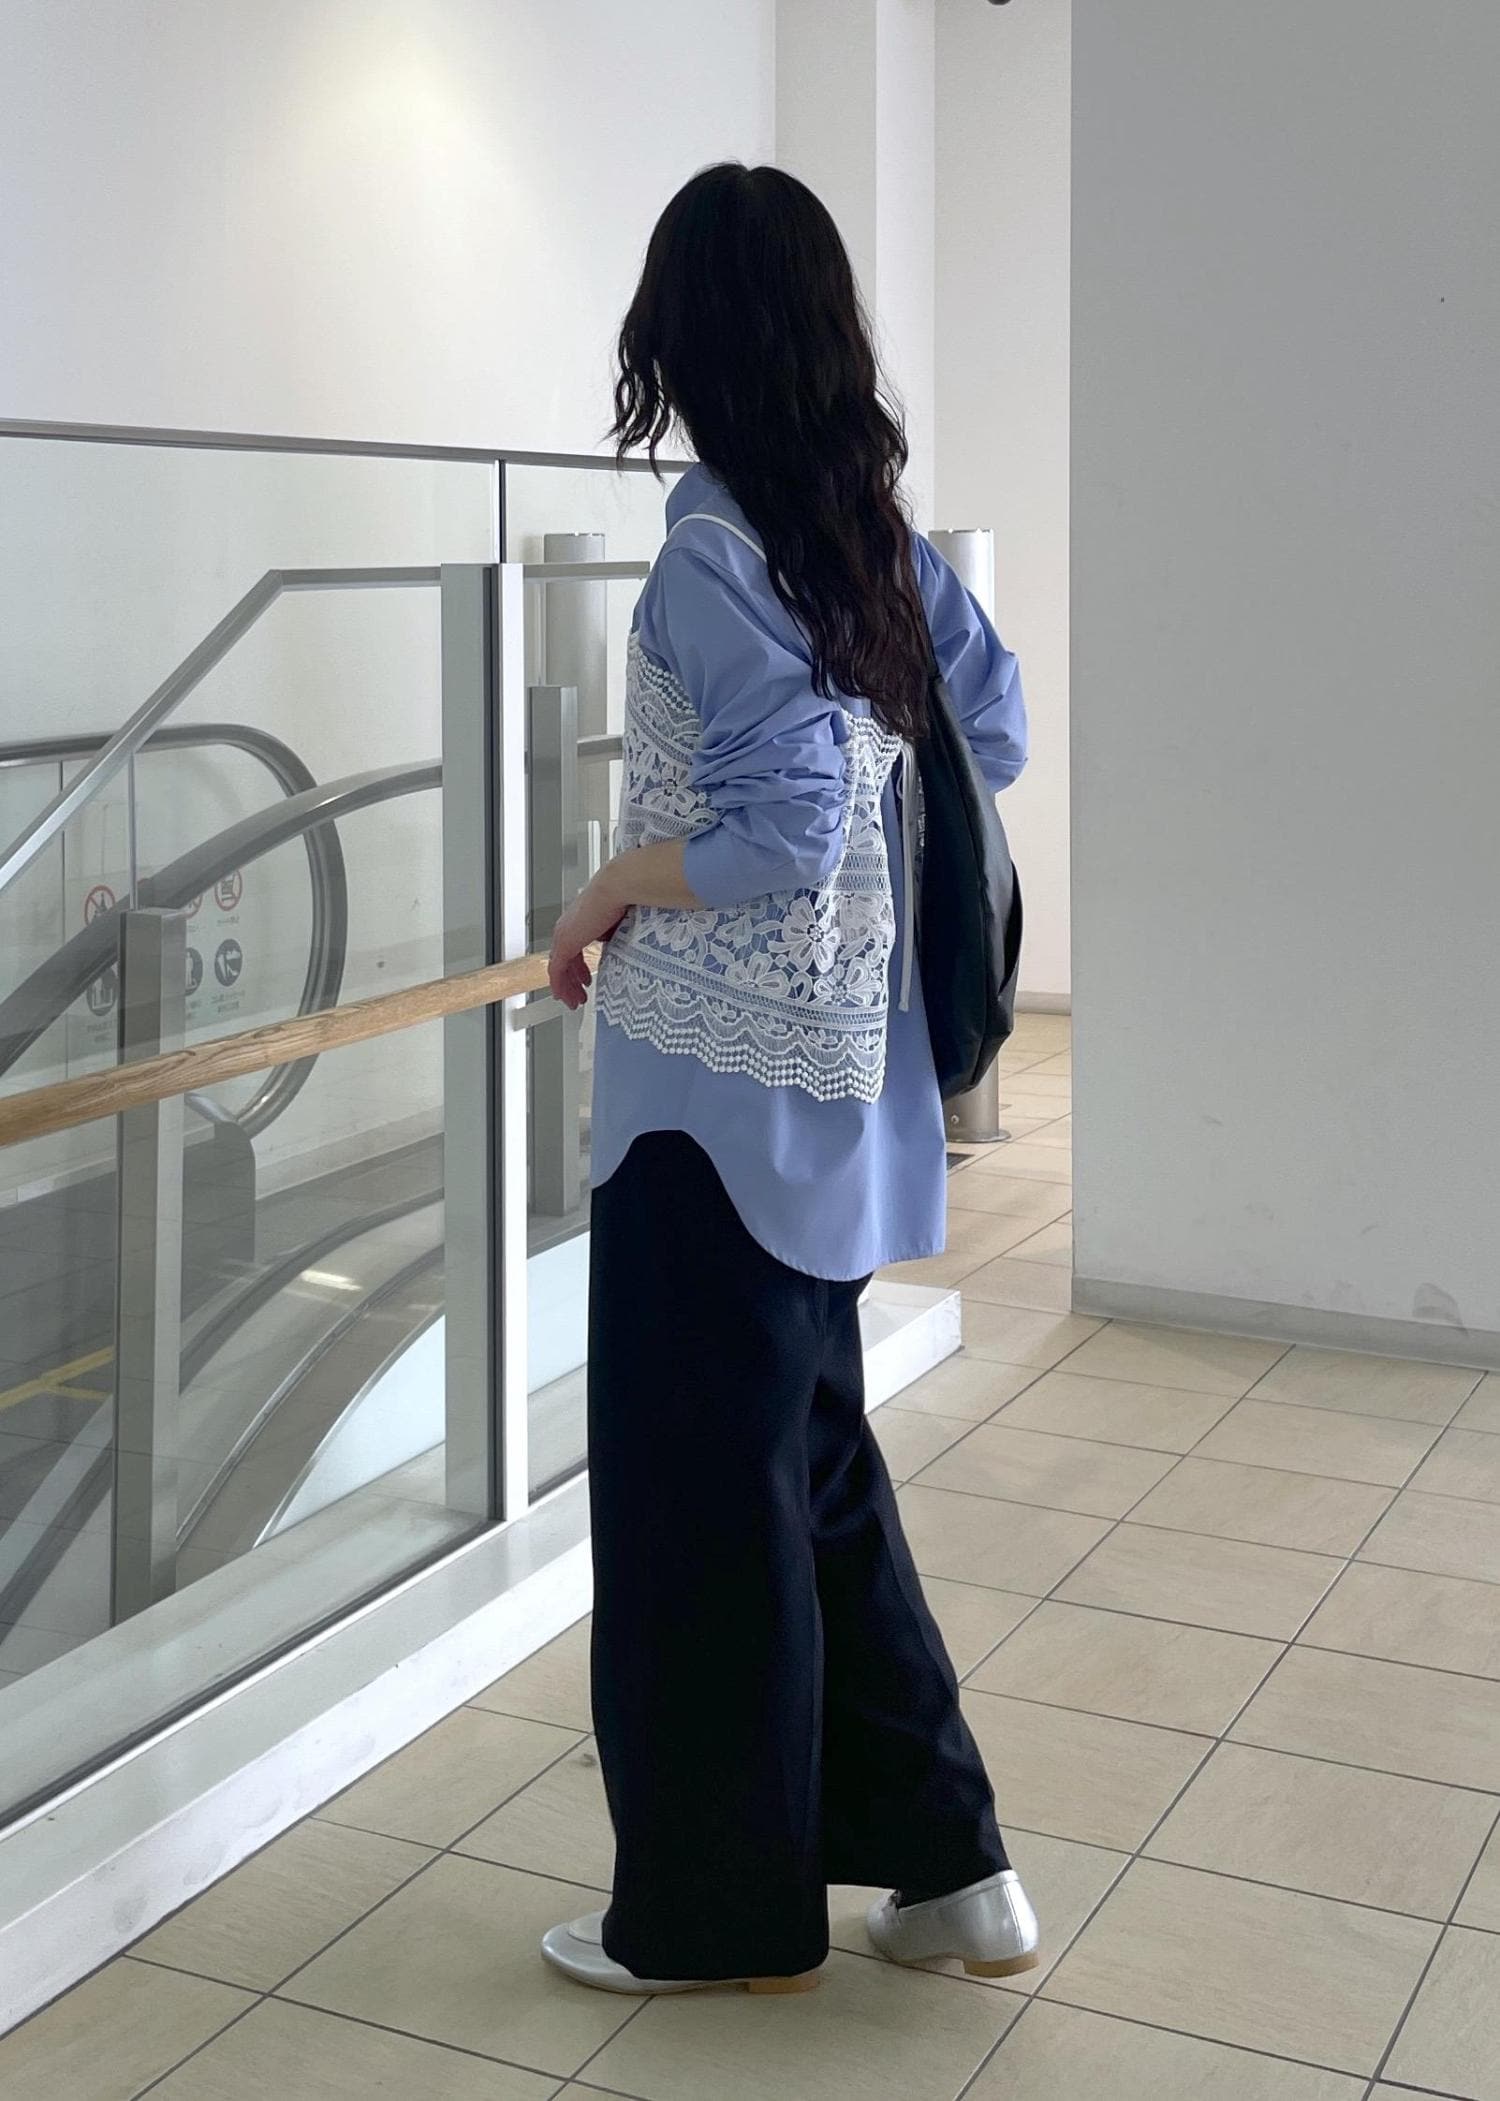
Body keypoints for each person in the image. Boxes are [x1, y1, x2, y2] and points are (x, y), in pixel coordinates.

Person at [541, 162, 1036, 1997]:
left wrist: (608, 883)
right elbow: (995, 725)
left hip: (707, 1103)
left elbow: (784, 820)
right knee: (812, 1470)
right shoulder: (865, 536)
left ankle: (711, 1920)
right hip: (841, 1087)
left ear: (679, 338)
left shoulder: (711, 547)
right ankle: (952, 1870)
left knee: (697, 1505)